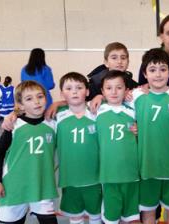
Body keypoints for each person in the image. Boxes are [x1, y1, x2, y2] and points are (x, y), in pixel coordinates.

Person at [128, 48, 169, 224]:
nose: (158, 74)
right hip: (146, 167)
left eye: (162, 69)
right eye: (152, 70)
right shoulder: (136, 96)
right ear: (145, 74)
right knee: (148, 212)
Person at [0, 80, 58, 224]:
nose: (36, 102)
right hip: (14, 187)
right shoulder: (14, 125)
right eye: (29, 99)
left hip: (42, 185)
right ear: (20, 105)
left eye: (40, 96)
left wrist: (58, 103)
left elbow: (77, 105)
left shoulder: (52, 124)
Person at [56, 72, 102, 224]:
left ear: (87, 91)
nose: (74, 91)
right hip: (70, 180)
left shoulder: (97, 113)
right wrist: (14, 115)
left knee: (96, 215)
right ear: (62, 93)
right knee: (75, 217)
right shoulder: (57, 116)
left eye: (79, 87)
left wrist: (101, 96)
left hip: (95, 178)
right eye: (68, 88)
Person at [96, 70, 140, 223]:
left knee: (133, 218)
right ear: (102, 91)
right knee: (111, 218)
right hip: (109, 175)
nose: (114, 92)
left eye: (119, 87)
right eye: (109, 88)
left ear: (126, 90)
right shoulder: (96, 110)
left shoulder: (133, 111)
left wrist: (139, 130)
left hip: (131, 174)